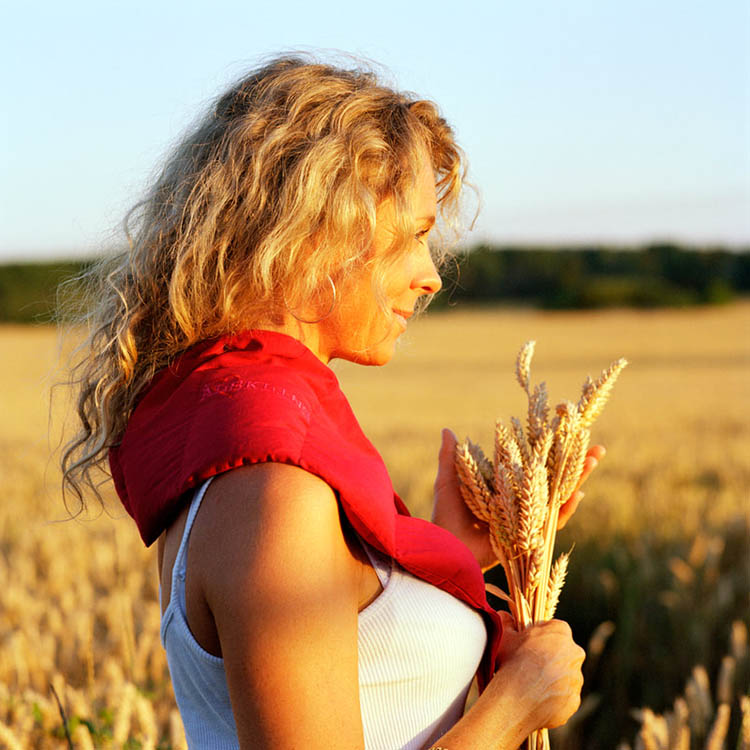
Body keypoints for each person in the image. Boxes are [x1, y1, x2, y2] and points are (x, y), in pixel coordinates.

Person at [62, 54, 598, 750]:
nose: (432, 276)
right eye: (412, 237)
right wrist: (514, 707)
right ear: (318, 236)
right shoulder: (270, 489)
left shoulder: (237, 444)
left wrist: (453, 553)